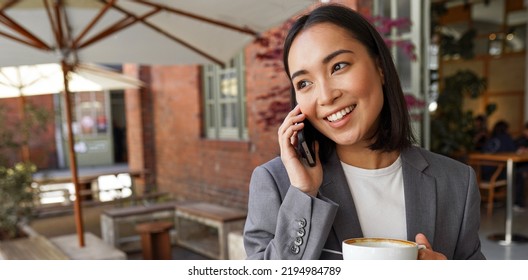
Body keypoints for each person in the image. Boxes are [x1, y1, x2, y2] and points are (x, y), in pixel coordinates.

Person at [243, 4, 485, 260]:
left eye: (338, 66)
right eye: (304, 83)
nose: (325, 96)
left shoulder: (457, 183)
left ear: (380, 67)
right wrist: (304, 195)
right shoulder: (277, 182)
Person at [483, 120, 526, 211]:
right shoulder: (506, 138)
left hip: (482, 174)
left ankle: (494, 200)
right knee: (518, 175)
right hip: (495, 174)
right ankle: (517, 203)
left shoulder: (490, 138)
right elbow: (513, 151)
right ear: (506, 129)